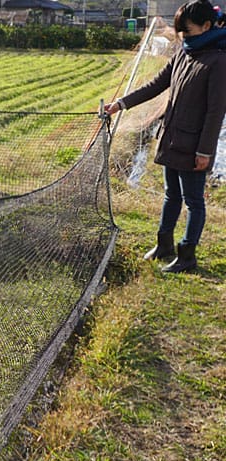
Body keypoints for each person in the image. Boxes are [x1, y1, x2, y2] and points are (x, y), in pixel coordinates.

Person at [105, 0, 226, 273]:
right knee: (172, 194)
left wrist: (205, 151)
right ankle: (164, 245)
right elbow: (156, 84)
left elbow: (215, 112)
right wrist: (121, 104)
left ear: (207, 26)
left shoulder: (218, 61)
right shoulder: (184, 53)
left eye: (188, 30)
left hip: (195, 145)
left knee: (194, 201)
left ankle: (187, 256)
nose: (183, 36)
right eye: (180, 31)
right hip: (172, 137)